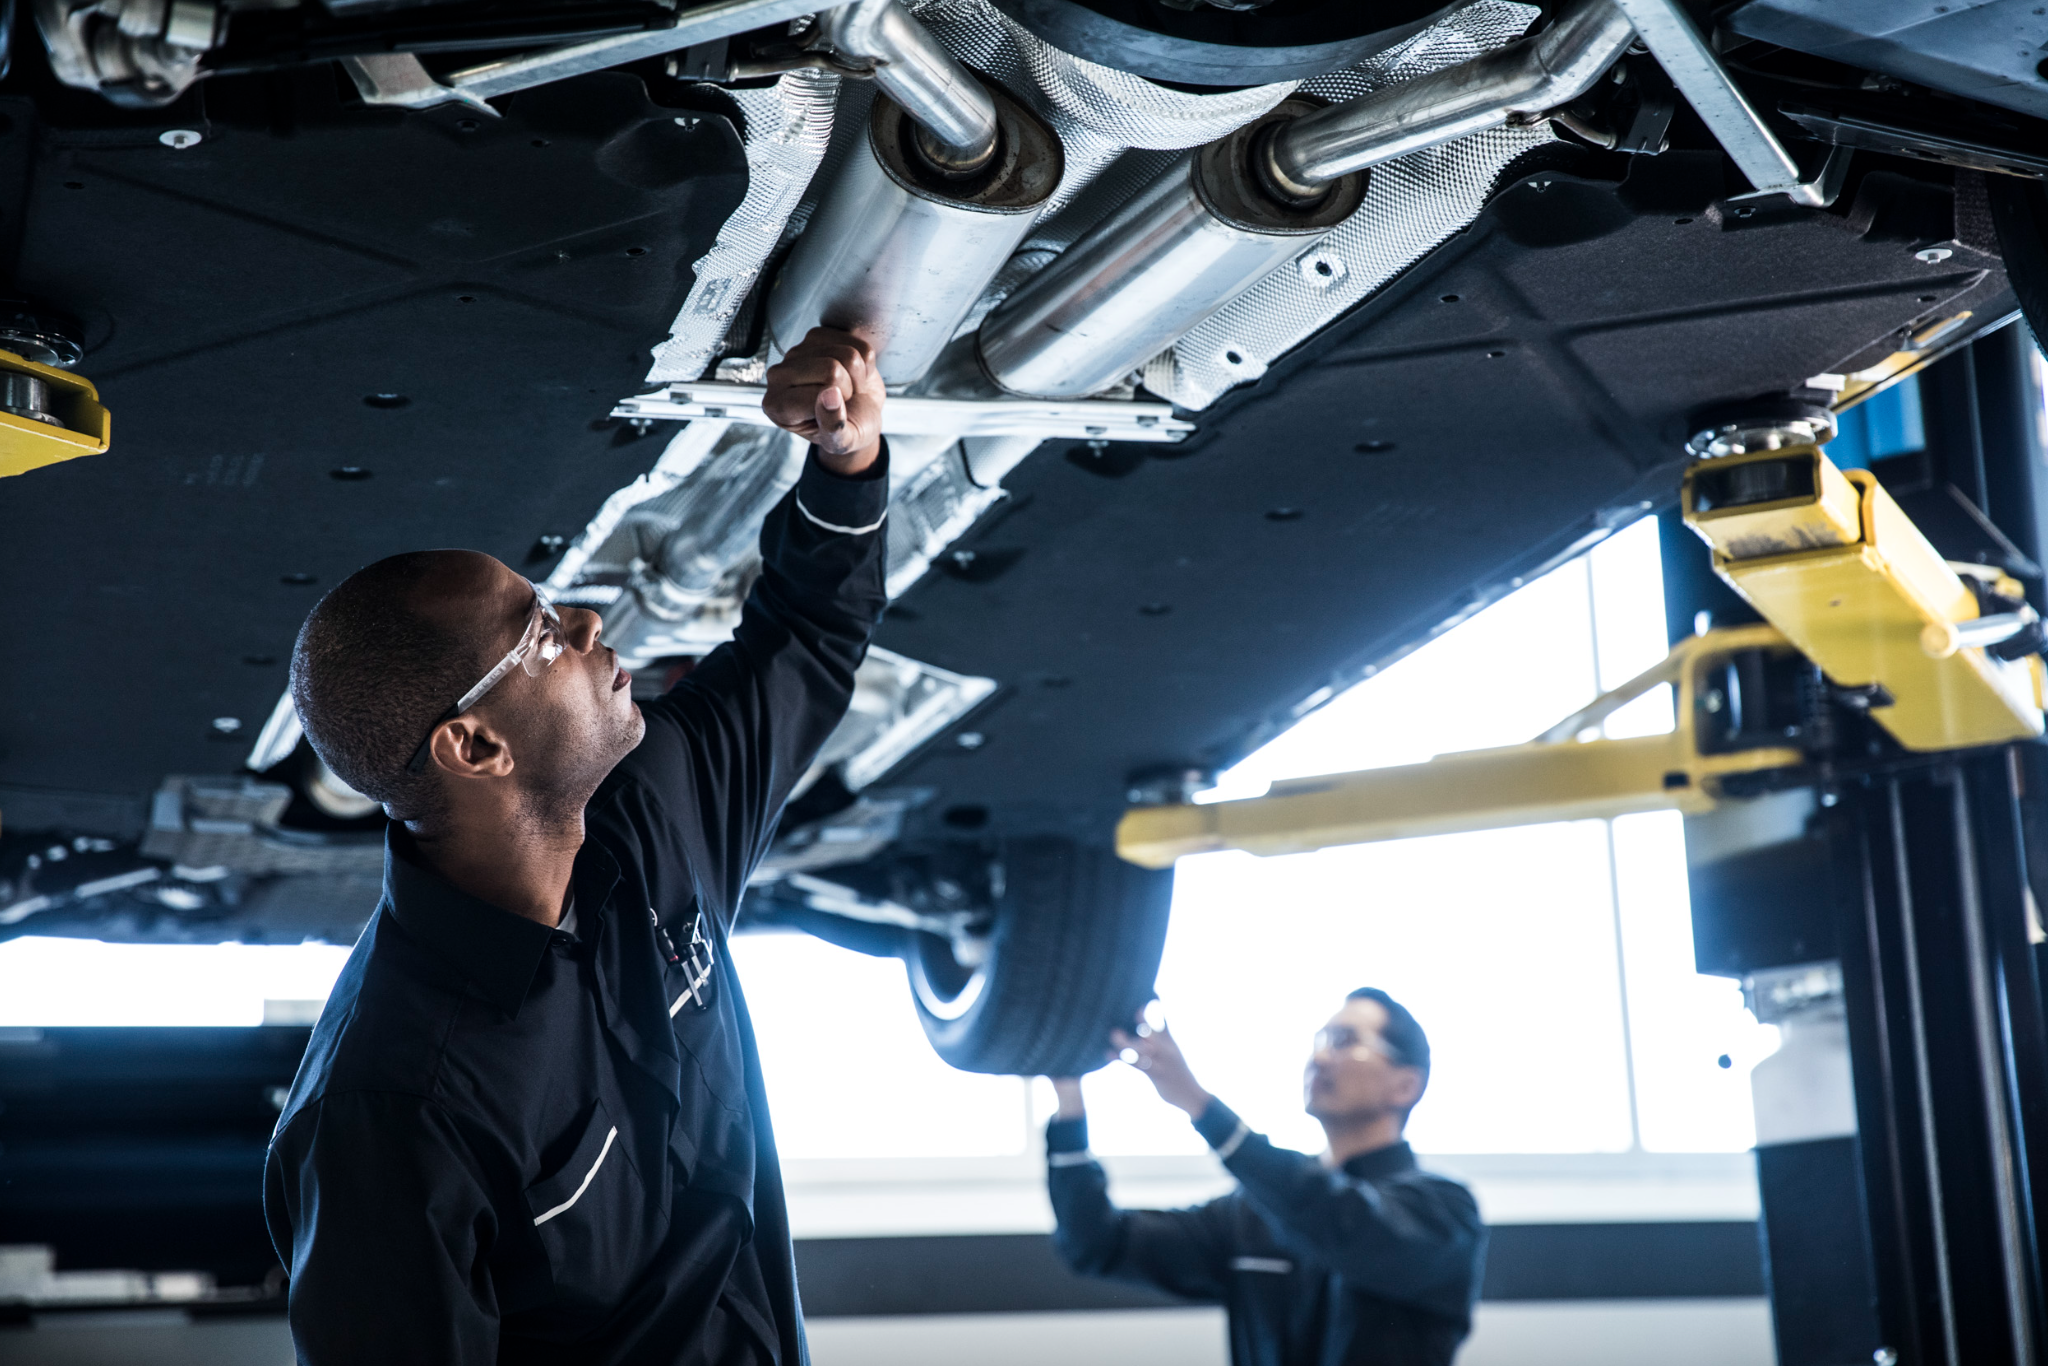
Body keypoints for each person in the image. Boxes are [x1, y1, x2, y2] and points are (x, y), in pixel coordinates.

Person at [262, 326, 889, 1365]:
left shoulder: (645, 807)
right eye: (544, 636)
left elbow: (805, 641)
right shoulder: (393, 1107)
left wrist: (843, 455)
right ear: (473, 744)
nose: (592, 622)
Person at [1044, 989, 1486, 1366]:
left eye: (1344, 1040)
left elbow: (1340, 1223)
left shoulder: (1445, 1212)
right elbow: (1096, 1245)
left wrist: (1202, 1108)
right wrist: (1069, 1100)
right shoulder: (1250, 1214)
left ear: (1405, 1086)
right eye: (1318, 1040)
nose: (1318, 1056)